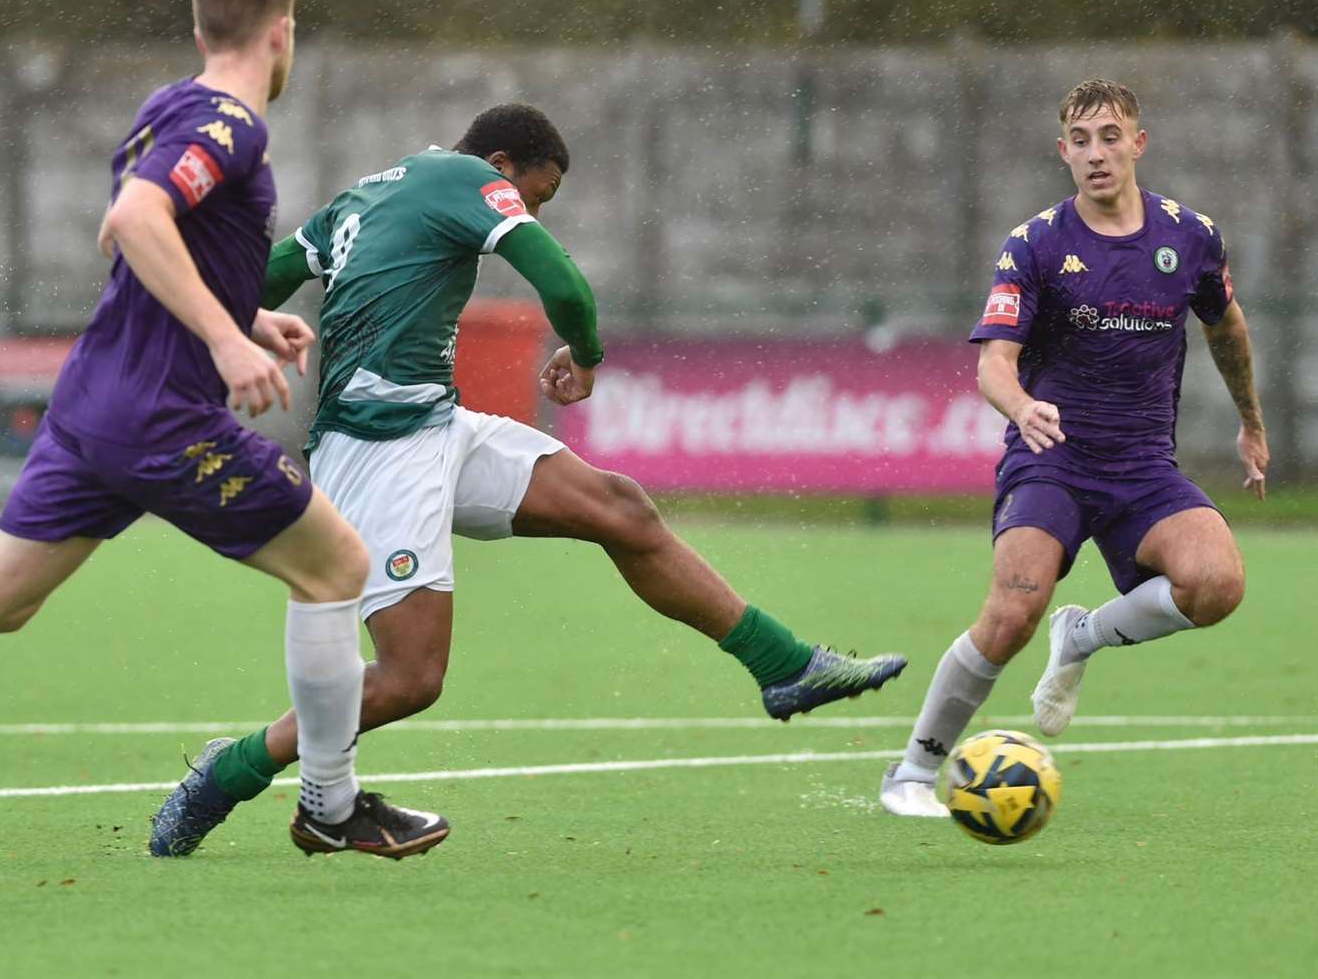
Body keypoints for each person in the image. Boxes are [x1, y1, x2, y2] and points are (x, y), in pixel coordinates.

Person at [0, 0, 447, 860]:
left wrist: (241, 313)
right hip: (161, 416)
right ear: (282, 31)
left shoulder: (169, 104)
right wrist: (218, 338)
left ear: (201, 24)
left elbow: (119, 229)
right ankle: (330, 807)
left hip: (95, 401)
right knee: (334, 569)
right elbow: (134, 223)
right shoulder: (228, 121)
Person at [148, 103, 909, 856]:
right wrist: (583, 354)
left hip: (436, 426)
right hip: (375, 452)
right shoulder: (468, 178)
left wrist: (205, 335)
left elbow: (247, 285)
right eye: (535, 195)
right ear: (504, 166)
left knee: (622, 511)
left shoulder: (368, 193)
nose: (529, 208)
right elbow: (565, 286)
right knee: (410, 679)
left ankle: (783, 668)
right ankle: (230, 772)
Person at [879, 79, 1269, 817]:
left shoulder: (1189, 236)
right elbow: (993, 361)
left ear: (1137, 144)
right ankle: (909, 773)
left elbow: (1227, 327)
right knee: (1011, 610)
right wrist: (1022, 407)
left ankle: (1083, 636)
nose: (1097, 154)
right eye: (1081, 141)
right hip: (1052, 456)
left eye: (1110, 137)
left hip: (1143, 467)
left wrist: (1249, 421)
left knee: (1216, 584)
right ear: (1062, 152)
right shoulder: (1035, 245)